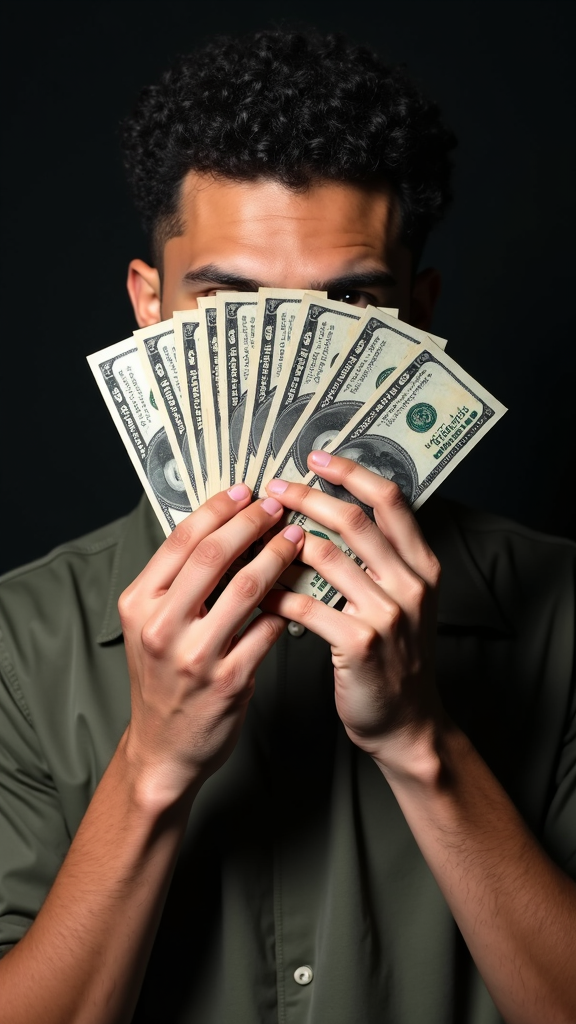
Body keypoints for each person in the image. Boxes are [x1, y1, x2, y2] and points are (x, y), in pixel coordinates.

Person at [0, 29, 574, 1024]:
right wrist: (151, 768)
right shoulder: (20, 636)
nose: (286, 364)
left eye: (349, 303)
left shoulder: (559, 609)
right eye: (227, 305)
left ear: (417, 320)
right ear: (149, 308)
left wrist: (422, 740)